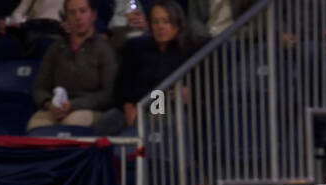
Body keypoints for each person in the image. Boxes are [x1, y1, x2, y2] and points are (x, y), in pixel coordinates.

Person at [99, 1, 198, 133]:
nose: (160, 27)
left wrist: (188, 93)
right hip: (134, 107)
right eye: (156, 22)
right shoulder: (136, 48)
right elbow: (121, 85)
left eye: (166, 21)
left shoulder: (188, 51)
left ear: (177, 25)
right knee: (104, 125)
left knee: (157, 121)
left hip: (165, 108)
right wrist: (128, 106)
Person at [27, 0, 118, 129]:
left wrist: (73, 105)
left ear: (93, 15)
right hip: (55, 109)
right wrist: (49, 104)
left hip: (90, 109)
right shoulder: (56, 48)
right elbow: (39, 88)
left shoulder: (104, 50)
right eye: (72, 12)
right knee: (36, 125)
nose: (77, 17)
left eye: (82, 11)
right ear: (66, 18)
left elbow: (108, 95)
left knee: (71, 124)